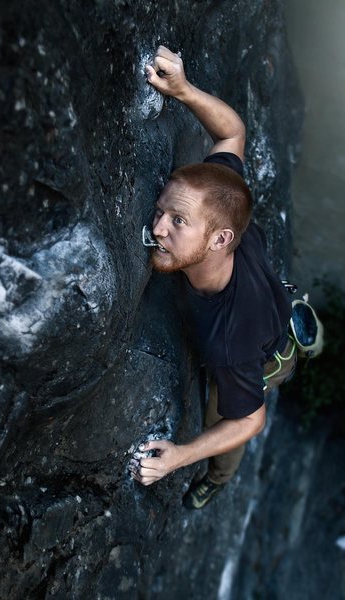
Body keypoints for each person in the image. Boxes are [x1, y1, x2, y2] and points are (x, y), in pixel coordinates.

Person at [128, 46, 297, 509]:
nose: (157, 228)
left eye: (176, 222)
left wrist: (179, 457)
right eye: (161, 211)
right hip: (267, 301)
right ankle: (302, 325)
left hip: (260, 355)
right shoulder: (220, 199)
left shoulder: (232, 340)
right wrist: (183, 89)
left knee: (221, 420)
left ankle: (217, 479)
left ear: (221, 239)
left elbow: (249, 421)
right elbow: (233, 132)